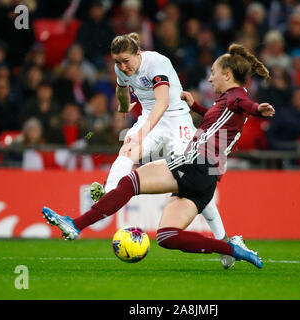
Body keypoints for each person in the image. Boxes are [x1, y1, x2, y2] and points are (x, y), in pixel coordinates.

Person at [42, 43, 275, 269]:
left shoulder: (236, 97)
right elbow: (220, 117)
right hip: (207, 179)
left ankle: (75, 224)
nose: (210, 78)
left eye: (213, 73)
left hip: (196, 163)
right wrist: (196, 107)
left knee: (130, 182)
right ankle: (231, 248)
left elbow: (245, 104)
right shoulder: (226, 102)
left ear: (227, 74)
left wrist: (257, 109)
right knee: (167, 236)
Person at [87, 32, 234, 269]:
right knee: (127, 150)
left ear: (138, 53)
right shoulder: (121, 69)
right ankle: (109, 193)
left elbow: (162, 102)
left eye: (126, 61)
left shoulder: (157, 62)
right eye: (117, 62)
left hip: (177, 121)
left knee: (192, 182)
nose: (123, 67)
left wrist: (142, 132)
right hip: (149, 117)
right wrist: (124, 106)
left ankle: (224, 241)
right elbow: (122, 89)